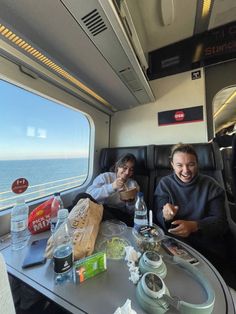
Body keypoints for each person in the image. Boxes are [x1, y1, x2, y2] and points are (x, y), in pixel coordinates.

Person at [154, 143, 236, 288]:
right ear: (172, 165)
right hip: (176, 247)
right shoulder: (164, 184)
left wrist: (195, 226)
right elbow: (159, 218)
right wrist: (166, 216)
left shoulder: (211, 186)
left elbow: (221, 223)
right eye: (179, 165)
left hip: (208, 247)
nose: (185, 170)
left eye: (190, 164)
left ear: (197, 164)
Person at [86, 153, 139, 226]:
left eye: (131, 170)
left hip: (119, 215)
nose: (127, 172)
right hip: (100, 209)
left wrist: (131, 202)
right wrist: (112, 187)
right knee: (80, 196)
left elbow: (133, 212)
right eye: (125, 167)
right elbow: (89, 194)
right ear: (118, 167)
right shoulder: (105, 177)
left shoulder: (133, 185)